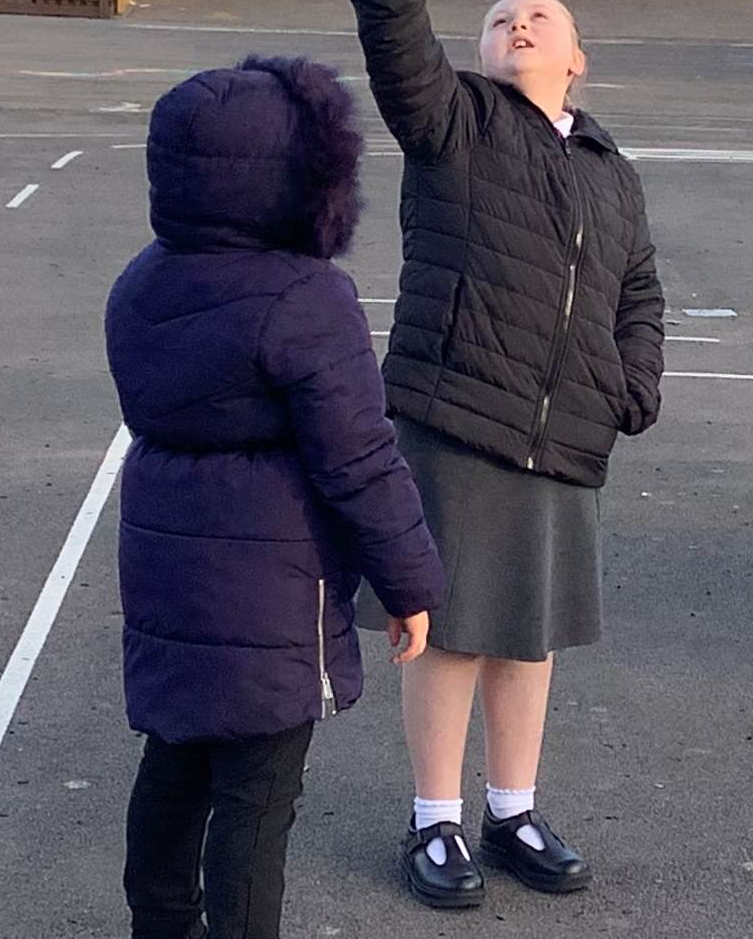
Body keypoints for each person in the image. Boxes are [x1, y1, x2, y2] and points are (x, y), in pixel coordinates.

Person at [344, 0, 665, 908]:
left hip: (566, 433)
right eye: (499, 21)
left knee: (529, 635)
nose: (518, 27)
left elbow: (639, 289)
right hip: (457, 419)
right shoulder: (456, 126)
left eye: (538, 18)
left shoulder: (611, 171)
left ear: (578, 58)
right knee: (449, 633)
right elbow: (398, 49)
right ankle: (435, 820)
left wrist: (632, 382)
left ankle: (512, 809)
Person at [105, 57, 446, 939]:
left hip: (166, 558)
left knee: (175, 760)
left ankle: (160, 925)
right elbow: (359, 458)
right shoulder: (308, 296)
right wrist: (410, 582)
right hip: (273, 581)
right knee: (257, 800)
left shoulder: (141, 283)